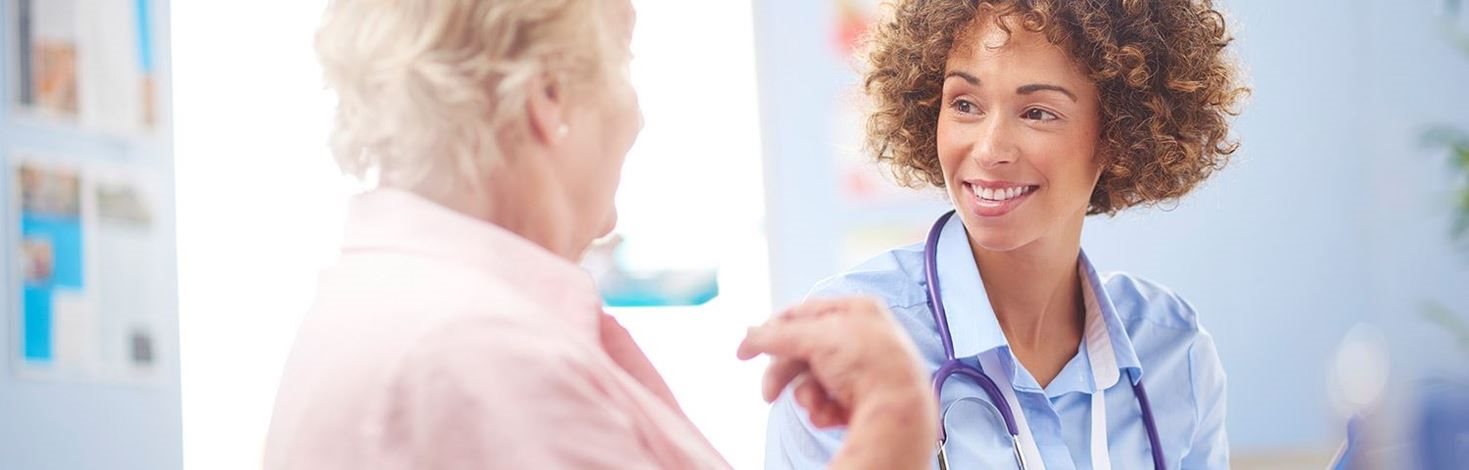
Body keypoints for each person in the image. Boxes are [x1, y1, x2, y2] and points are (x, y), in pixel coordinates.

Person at [263, 0, 936, 468]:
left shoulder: (405, 300)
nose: (637, 115)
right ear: (549, 96)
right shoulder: (482, 355)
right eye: (623, 61)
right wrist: (894, 422)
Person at [766, 0, 1248, 468]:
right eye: (965, 104)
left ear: (1120, 135)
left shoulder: (1172, 349)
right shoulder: (853, 348)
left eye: (1037, 112)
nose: (990, 148)